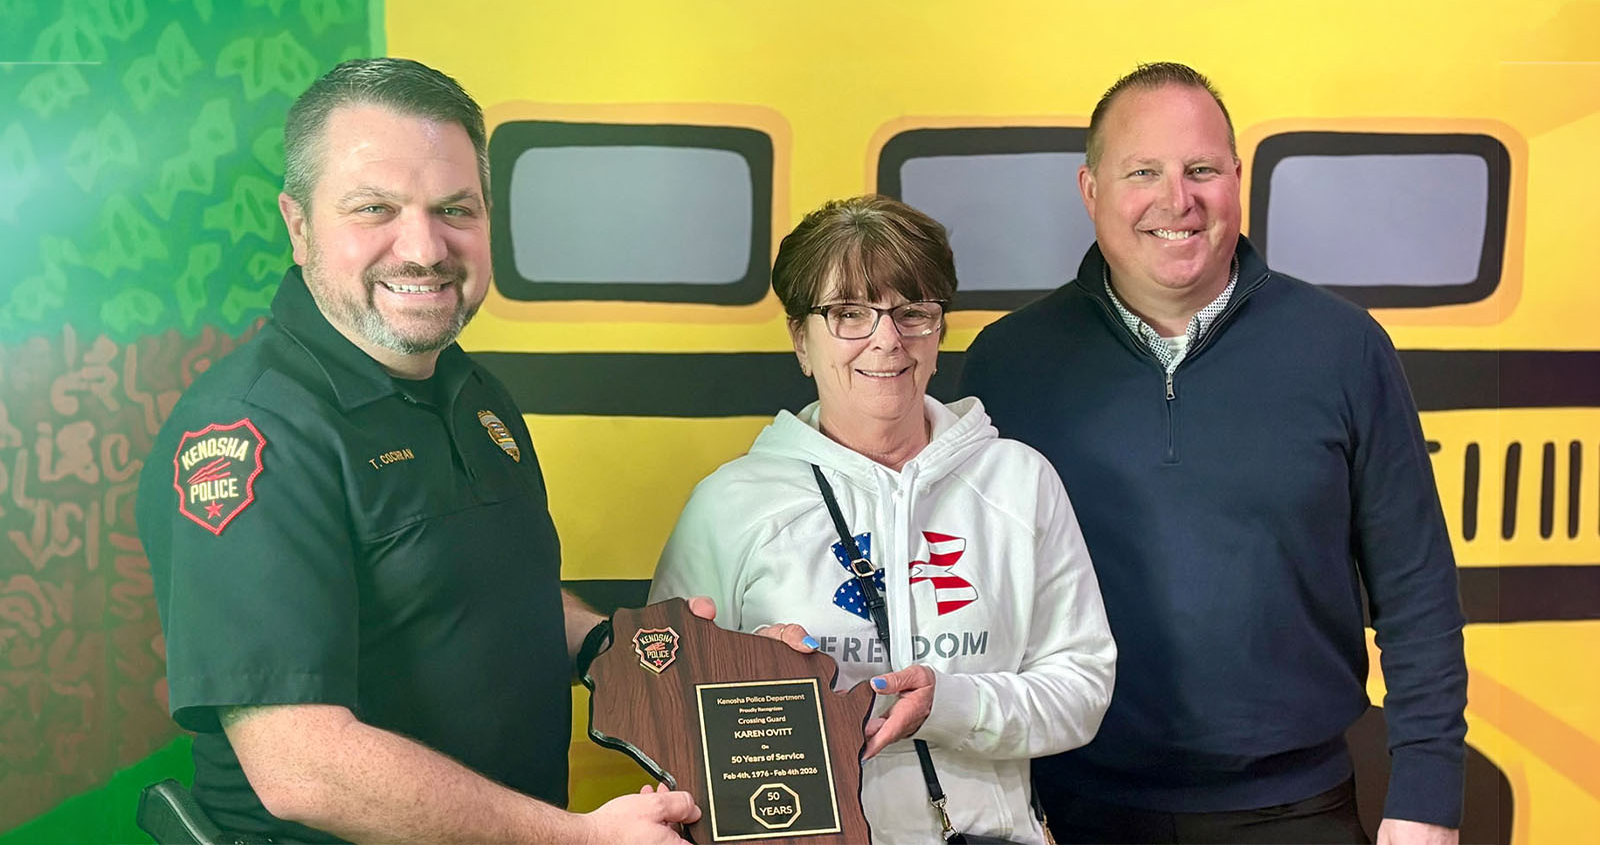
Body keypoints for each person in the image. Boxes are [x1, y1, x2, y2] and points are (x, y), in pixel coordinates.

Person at [136, 58, 699, 844]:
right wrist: (579, 838)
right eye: (375, 208)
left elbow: (486, 600)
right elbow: (302, 764)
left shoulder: (473, 393)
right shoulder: (253, 432)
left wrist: (624, 650)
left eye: (455, 208)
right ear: (298, 226)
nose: (425, 247)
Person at [959, 62, 1468, 845]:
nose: (1177, 200)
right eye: (1143, 172)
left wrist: (1428, 793)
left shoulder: (1344, 348)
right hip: (1065, 809)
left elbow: (1417, 588)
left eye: (1201, 170)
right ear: (1091, 191)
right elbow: (960, 584)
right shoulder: (1008, 364)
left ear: (1239, 180)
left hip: (1298, 810)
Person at [650, 195, 1117, 844]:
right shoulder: (731, 505)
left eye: (912, 312)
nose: (886, 339)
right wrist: (751, 686)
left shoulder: (1018, 481)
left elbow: (1082, 685)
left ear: (939, 329)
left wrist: (949, 706)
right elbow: (660, 710)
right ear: (800, 339)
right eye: (849, 313)